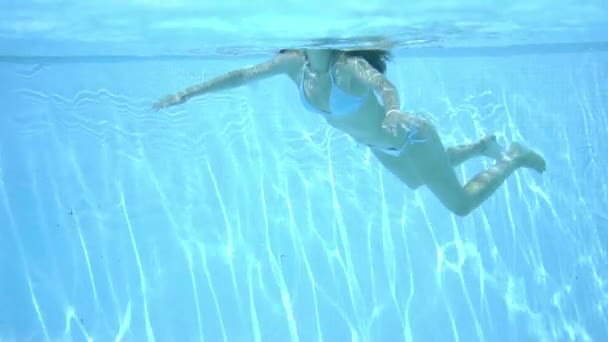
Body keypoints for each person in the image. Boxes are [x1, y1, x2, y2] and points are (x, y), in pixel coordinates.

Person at [153, 48, 546, 216]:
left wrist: (392, 111)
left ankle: (512, 156)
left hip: (408, 135)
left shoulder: (349, 67)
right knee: (417, 180)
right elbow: (243, 75)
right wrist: (190, 92)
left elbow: (384, 87)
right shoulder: (294, 64)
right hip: (380, 146)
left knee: (459, 206)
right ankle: (482, 146)